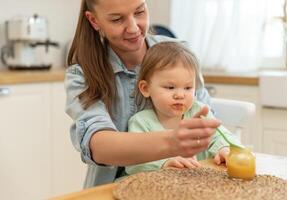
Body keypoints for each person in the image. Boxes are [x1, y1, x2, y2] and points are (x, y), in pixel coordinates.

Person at [66, 0, 221, 188]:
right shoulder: (82, 73)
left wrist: (224, 147)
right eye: (117, 19)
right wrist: (172, 142)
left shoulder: (180, 53)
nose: (133, 28)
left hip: (184, 187)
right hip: (112, 188)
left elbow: (209, 122)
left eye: (139, 12)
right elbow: (98, 146)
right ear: (94, 20)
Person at [125, 42, 240, 175]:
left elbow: (219, 136)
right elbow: (134, 163)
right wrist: (164, 163)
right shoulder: (141, 122)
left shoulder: (199, 111)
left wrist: (224, 149)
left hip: (197, 184)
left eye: (188, 88)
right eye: (170, 87)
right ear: (146, 88)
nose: (180, 95)